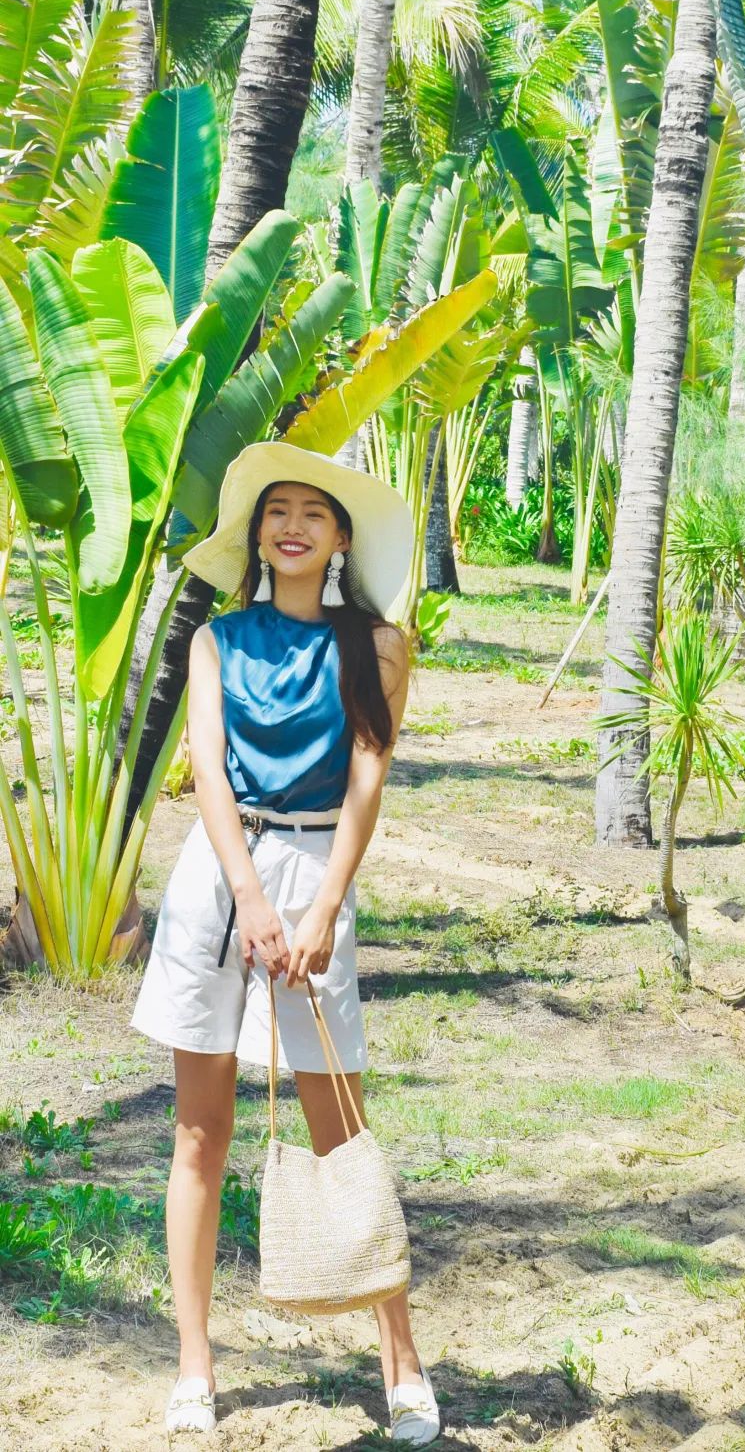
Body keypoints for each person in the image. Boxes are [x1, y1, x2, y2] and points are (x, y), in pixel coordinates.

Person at [130, 442, 439, 1444]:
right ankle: (194, 1366)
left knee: (337, 1123)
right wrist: (249, 895)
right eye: (278, 511)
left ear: (341, 537)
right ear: (258, 533)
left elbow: (366, 781)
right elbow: (209, 774)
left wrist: (317, 908)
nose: (293, 525)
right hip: (219, 884)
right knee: (198, 1134)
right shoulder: (220, 640)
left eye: (315, 512)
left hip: (316, 882)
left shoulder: (377, 647)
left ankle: (402, 1365)